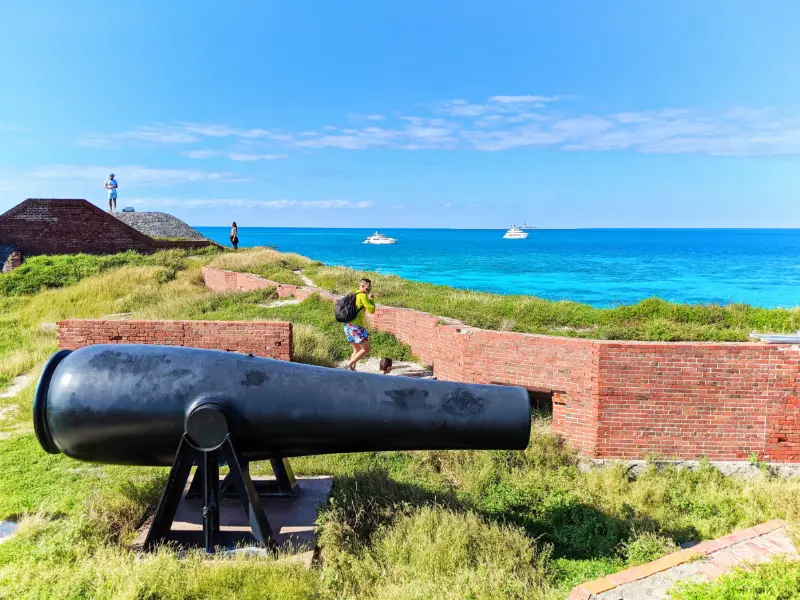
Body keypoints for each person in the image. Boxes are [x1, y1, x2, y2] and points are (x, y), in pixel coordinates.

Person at [344, 278, 376, 371]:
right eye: (368, 287)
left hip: (348, 326)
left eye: (370, 287)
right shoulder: (363, 296)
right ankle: (348, 365)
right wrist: (371, 300)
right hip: (355, 327)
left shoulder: (354, 295)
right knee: (366, 348)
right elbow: (372, 310)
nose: (369, 289)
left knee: (357, 349)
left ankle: (352, 371)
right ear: (362, 286)